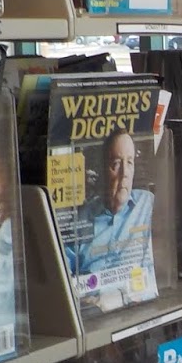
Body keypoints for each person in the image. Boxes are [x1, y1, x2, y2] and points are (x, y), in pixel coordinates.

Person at [67, 127, 156, 309]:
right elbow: (64, 280)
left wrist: (121, 296)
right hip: (92, 314)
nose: (125, 173)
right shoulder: (81, 218)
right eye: (116, 164)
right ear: (101, 170)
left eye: (130, 162)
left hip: (138, 310)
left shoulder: (147, 205)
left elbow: (157, 279)